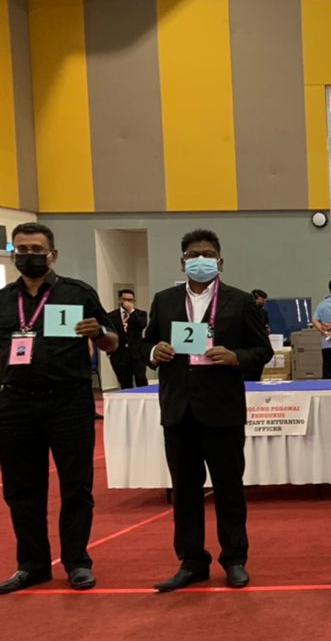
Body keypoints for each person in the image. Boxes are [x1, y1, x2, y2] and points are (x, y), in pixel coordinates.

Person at [144, 230, 273, 591]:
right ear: (182, 261)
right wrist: (154, 352)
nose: (200, 260)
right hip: (178, 411)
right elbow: (145, 344)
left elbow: (262, 351)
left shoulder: (241, 301)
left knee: (229, 489)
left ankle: (234, 559)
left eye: (207, 254)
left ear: (220, 261)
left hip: (222, 410)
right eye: (193, 254)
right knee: (184, 491)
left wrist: (236, 357)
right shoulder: (164, 300)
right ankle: (191, 561)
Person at [0, 223, 117, 593]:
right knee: (20, 489)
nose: (29, 255)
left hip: (68, 401)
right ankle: (32, 565)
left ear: (53, 254)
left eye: (36, 249)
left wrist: (98, 333)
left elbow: (113, 341)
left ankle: (77, 561)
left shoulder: (77, 292)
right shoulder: (3, 300)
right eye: (21, 249)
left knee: (76, 485)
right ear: (13, 254)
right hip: (15, 403)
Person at [107, 288, 149, 389]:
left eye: (131, 300)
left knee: (141, 380)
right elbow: (109, 333)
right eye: (125, 299)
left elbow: (142, 324)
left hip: (137, 354)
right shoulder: (111, 316)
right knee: (125, 383)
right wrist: (109, 352)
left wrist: (131, 311)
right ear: (120, 300)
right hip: (119, 355)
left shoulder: (140, 314)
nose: (128, 302)